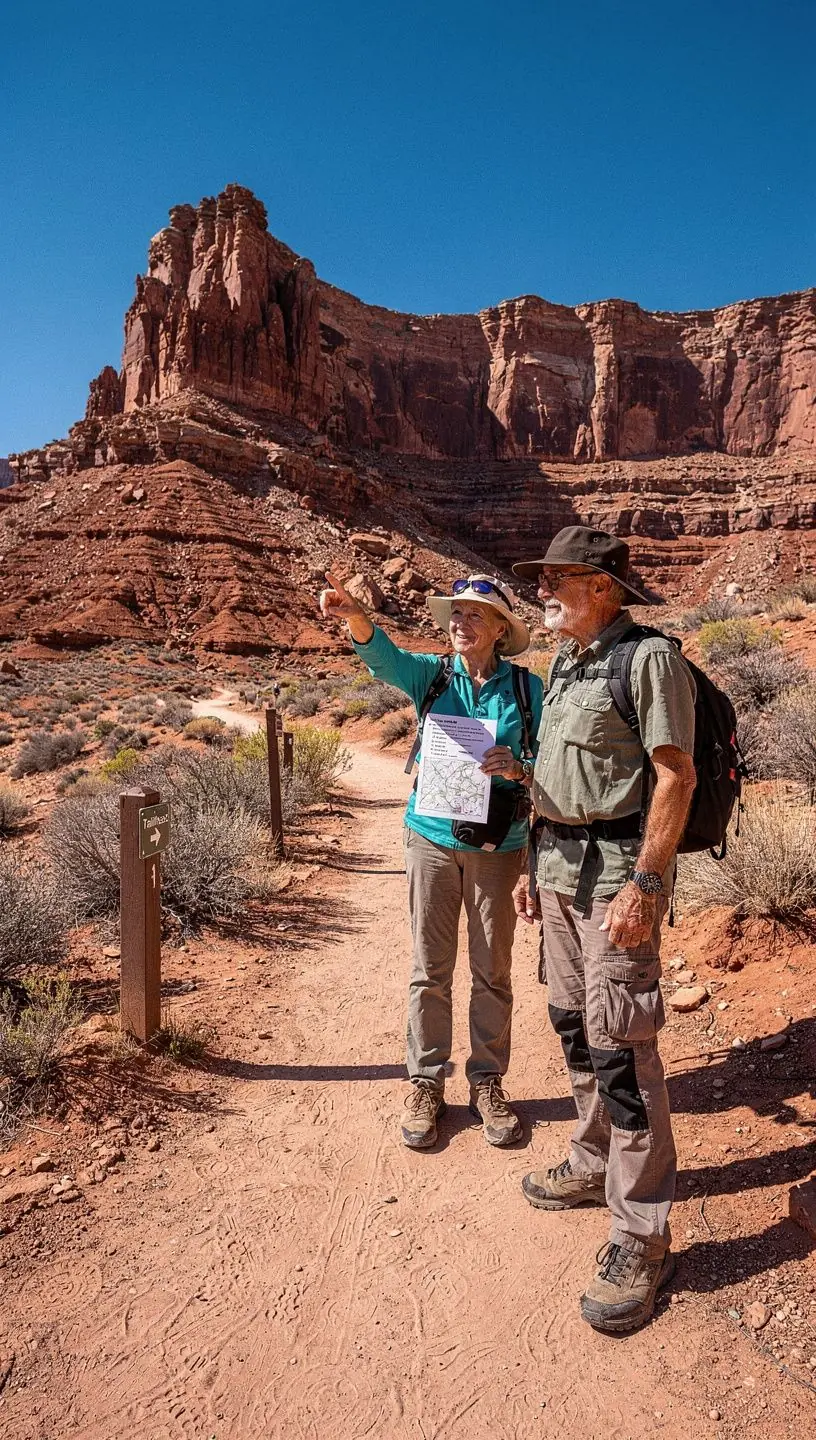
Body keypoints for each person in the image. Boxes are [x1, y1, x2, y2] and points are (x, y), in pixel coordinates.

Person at [511, 526, 697, 1335]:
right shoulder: (567, 665)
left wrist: (646, 885)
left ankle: (641, 1230)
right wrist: (529, 868)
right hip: (555, 875)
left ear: (605, 590)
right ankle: (591, 1164)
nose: (544, 590)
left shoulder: (648, 659)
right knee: (574, 1028)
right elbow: (559, 784)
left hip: (617, 882)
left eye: (561, 578)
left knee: (623, 1048)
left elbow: (673, 775)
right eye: (545, 577)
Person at [319, 570, 544, 1150]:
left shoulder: (528, 691)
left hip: (500, 848)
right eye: (455, 615)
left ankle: (488, 1079)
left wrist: (517, 769)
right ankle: (426, 1079)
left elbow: (552, 769)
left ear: (500, 628)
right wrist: (352, 614)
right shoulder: (434, 675)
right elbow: (384, 658)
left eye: (474, 615)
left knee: (492, 968)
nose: (460, 623)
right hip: (431, 841)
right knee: (430, 966)